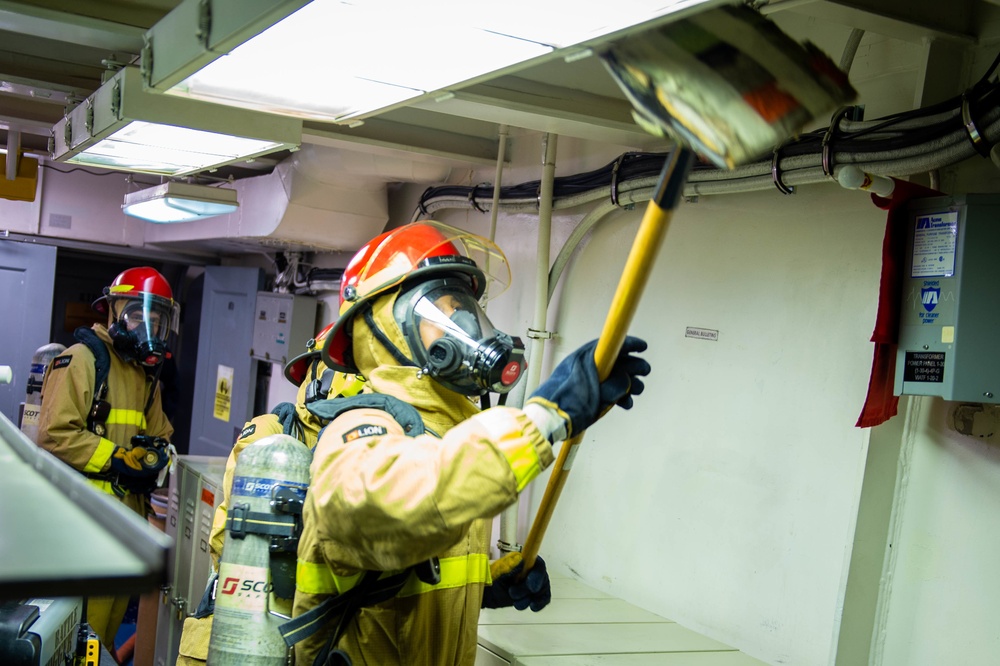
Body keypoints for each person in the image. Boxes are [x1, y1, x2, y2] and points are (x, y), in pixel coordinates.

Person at [290, 220, 651, 665]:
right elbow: (407, 507)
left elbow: (404, 586)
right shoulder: (361, 430)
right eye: (438, 312)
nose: (463, 325)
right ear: (386, 331)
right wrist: (543, 418)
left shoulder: (456, 434)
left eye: (462, 307)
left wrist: (485, 587)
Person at [176, 325, 364, 666]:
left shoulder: (364, 447)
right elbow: (227, 540)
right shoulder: (271, 437)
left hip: (308, 641)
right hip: (239, 637)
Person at [36, 266, 178, 655]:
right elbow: (53, 434)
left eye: (155, 319)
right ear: (111, 313)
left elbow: (160, 433)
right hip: (85, 524)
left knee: (104, 635)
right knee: (78, 639)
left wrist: (157, 457)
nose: (145, 326)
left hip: (127, 523)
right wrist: (117, 458)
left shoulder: (145, 377)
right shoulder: (82, 360)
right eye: (136, 315)